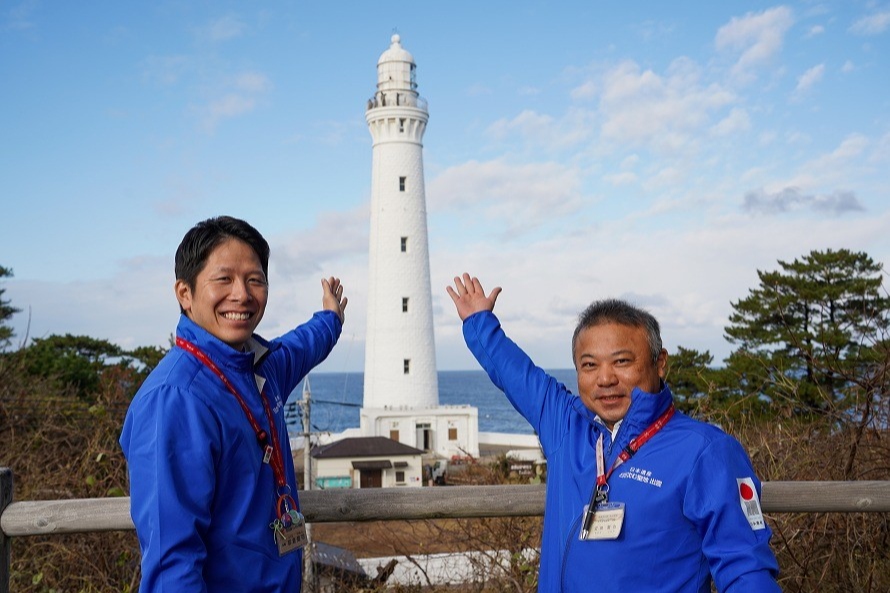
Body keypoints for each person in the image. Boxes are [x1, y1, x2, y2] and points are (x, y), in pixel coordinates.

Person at [447, 274, 780, 592]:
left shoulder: (705, 451)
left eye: (621, 362)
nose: (604, 379)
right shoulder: (567, 427)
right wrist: (479, 321)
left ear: (659, 362)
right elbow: (516, 375)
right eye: (589, 365)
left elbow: (745, 569)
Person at [120, 216, 347, 592]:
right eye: (223, 279)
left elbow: (301, 346)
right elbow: (172, 564)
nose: (242, 294)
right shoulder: (176, 400)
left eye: (255, 279)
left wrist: (330, 318)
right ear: (185, 293)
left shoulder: (256, 365)